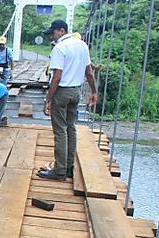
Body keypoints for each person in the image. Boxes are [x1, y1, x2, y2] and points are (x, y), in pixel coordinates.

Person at [38, 20, 98, 180]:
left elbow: (56, 77)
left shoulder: (59, 48)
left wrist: (48, 99)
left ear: (62, 30)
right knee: (71, 128)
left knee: (60, 131)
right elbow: (89, 72)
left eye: (53, 32)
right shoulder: (82, 45)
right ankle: (69, 168)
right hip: (76, 92)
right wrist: (94, 91)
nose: (52, 36)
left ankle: (59, 171)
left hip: (62, 92)